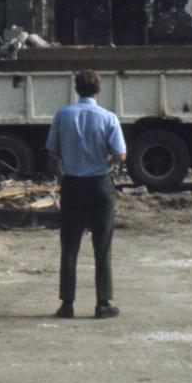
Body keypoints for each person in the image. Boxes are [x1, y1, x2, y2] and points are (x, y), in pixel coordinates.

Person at [44, 69, 126, 320]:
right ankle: (103, 303)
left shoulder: (63, 115)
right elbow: (121, 154)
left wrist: (70, 159)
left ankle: (66, 304)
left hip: (72, 184)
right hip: (100, 184)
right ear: (99, 90)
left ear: (76, 89)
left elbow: (52, 150)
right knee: (102, 246)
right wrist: (106, 159)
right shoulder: (108, 117)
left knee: (69, 246)